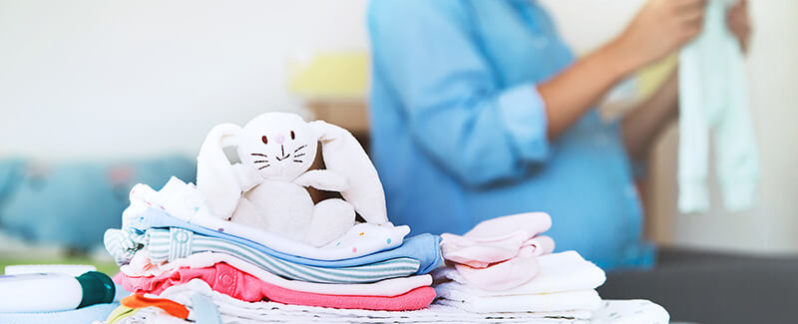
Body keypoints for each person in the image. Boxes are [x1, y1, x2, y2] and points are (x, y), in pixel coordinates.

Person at [366, 0, 751, 271]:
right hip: (499, 298)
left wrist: (687, 81)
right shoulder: (411, 6)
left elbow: (598, 153)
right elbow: (475, 145)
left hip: (603, 274)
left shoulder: (530, 15)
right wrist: (626, 52)